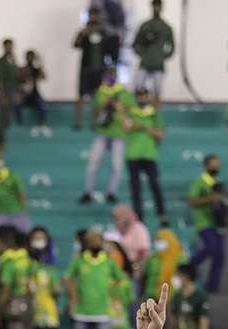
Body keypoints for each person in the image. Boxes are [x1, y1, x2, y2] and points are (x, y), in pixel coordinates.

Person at [65, 228, 130, 329]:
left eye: (97, 240)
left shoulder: (108, 262)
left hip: (103, 312)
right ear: (86, 243)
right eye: (91, 240)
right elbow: (67, 278)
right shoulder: (79, 260)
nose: (95, 243)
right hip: (82, 312)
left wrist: (113, 295)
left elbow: (122, 280)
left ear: (101, 242)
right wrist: (73, 296)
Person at [80, 70, 133, 206]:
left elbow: (130, 111)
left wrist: (118, 107)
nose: (110, 79)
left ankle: (111, 192)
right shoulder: (100, 92)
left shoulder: (124, 93)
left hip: (118, 133)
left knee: (117, 165)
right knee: (93, 163)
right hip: (102, 132)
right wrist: (106, 105)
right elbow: (96, 111)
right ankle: (88, 191)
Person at [124, 88, 168, 222]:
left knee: (155, 186)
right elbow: (126, 127)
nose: (141, 99)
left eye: (144, 96)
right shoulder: (130, 112)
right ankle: (138, 217)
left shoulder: (154, 115)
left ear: (147, 97)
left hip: (149, 155)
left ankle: (162, 214)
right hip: (133, 155)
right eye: (139, 96)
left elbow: (161, 134)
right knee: (135, 188)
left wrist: (144, 127)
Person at [186, 155, 227, 293]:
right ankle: (189, 266)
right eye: (213, 164)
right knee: (211, 248)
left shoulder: (217, 182)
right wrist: (210, 199)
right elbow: (192, 200)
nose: (216, 167)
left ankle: (212, 286)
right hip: (204, 222)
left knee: (219, 256)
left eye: (218, 164)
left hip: (218, 225)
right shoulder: (200, 182)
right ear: (206, 165)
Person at [71, 12, 108, 131]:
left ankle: (94, 122)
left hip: (99, 69)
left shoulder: (103, 32)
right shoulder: (84, 32)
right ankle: (78, 121)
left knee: (97, 97)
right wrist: (82, 34)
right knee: (81, 95)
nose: (94, 18)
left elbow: (109, 48)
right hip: (86, 69)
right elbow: (75, 45)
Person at [132, 0, 175, 100]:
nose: (156, 8)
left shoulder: (166, 27)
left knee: (157, 92)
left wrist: (162, 56)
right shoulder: (145, 26)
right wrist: (142, 54)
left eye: (158, 6)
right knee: (138, 88)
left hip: (158, 64)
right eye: (155, 6)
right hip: (145, 63)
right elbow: (136, 43)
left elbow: (172, 46)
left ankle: (156, 113)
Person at [0, 39, 20, 146]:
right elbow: (0, 79)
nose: (10, 48)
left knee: (7, 118)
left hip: (13, 90)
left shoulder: (13, 60)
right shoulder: (1, 61)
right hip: (6, 91)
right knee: (3, 117)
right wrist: (2, 94)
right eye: (7, 46)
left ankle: (4, 142)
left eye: (11, 46)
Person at [18, 50, 50, 133]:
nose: (30, 59)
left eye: (32, 57)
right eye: (28, 57)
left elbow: (44, 77)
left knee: (42, 105)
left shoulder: (35, 69)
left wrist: (40, 64)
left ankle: (41, 124)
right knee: (16, 105)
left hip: (35, 95)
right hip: (24, 95)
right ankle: (19, 124)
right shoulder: (22, 69)